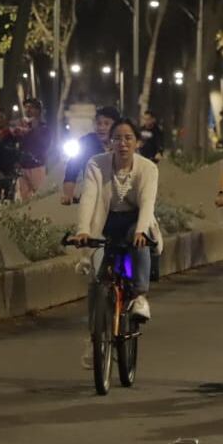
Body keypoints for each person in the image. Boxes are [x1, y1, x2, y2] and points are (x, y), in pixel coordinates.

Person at [72, 117, 161, 348]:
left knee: (138, 242)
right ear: (109, 143)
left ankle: (140, 296)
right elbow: (89, 198)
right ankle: (95, 337)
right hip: (106, 221)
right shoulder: (96, 164)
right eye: (117, 139)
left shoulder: (148, 168)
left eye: (128, 138)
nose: (123, 143)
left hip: (136, 220)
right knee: (97, 278)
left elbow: (148, 202)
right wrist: (83, 231)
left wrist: (142, 231)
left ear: (137, 143)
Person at [62, 106, 121, 204]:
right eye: (99, 123)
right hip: (91, 198)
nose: (101, 128)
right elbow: (72, 169)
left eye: (106, 124)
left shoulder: (122, 143)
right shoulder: (86, 142)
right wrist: (68, 194)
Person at [14, 98, 53, 200]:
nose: (28, 110)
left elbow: (44, 145)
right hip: (23, 167)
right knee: (23, 198)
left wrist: (34, 129)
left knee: (40, 197)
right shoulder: (20, 126)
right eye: (26, 107)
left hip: (37, 166)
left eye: (31, 108)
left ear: (38, 111)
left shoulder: (44, 128)